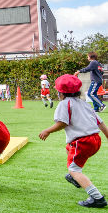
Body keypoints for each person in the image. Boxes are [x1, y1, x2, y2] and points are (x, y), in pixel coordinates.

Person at [39, 74, 108, 208]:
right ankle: (75, 178)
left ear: (60, 93)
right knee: (68, 148)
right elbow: (100, 122)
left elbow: (62, 123)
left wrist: (47, 131)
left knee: (74, 169)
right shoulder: (84, 104)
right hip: (95, 139)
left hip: (82, 142)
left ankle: (96, 197)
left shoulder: (64, 104)